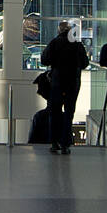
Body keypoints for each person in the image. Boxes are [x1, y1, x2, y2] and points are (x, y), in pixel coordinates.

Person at [41, 20, 88, 154]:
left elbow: (44, 60)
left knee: (54, 112)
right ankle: (65, 144)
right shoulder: (77, 45)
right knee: (69, 113)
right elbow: (85, 63)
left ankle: (54, 142)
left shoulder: (54, 43)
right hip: (73, 83)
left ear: (59, 31)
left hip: (57, 82)